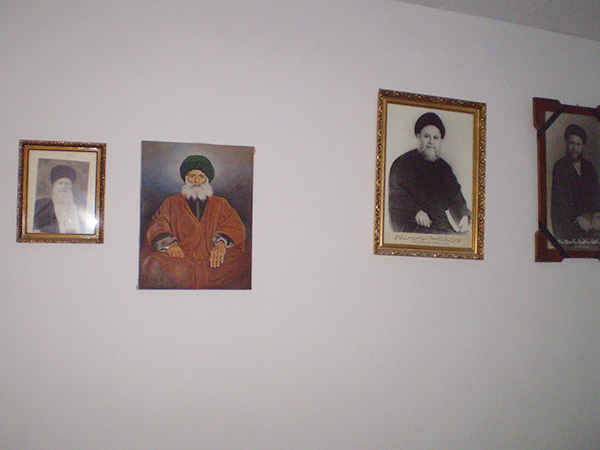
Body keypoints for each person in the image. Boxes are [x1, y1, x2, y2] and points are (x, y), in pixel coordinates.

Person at [139, 155, 250, 289]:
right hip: (180, 259)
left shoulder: (220, 203)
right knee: (153, 262)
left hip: (211, 260)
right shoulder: (171, 202)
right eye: (192, 176)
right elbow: (158, 223)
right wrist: (170, 245)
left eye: (201, 176)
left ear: (206, 180)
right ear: (186, 178)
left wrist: (221, 244)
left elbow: (234, 226)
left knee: (243, 259)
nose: (197, 180)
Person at [388, 112, 471, 234]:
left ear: (440, 141)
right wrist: (416, 211)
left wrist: (463, 216)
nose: (431, 142)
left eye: (436, 138)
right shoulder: (402, 163)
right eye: (427, 136)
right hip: (411, 224)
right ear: (418, 137)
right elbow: (396, 196)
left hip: (440, 226)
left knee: (464, 238)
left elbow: (455, 197)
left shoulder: (444, 168)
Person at [551, 124, 600, 242]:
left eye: (578, 144)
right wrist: (577, 218)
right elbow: (559, 200)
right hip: (568, 223)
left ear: (582, 146)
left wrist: (596, 214)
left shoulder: (588, 167)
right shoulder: (560, 166)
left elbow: (596, 193)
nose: (575, 148)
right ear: (566, 143)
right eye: (571, 143)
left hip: (590, 221)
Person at [34, 164, 84, 234]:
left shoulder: (78, 207)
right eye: (60, 183)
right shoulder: (41, 204)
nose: (63, 186)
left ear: (71, 186)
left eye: (67, 184)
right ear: (54, 185)